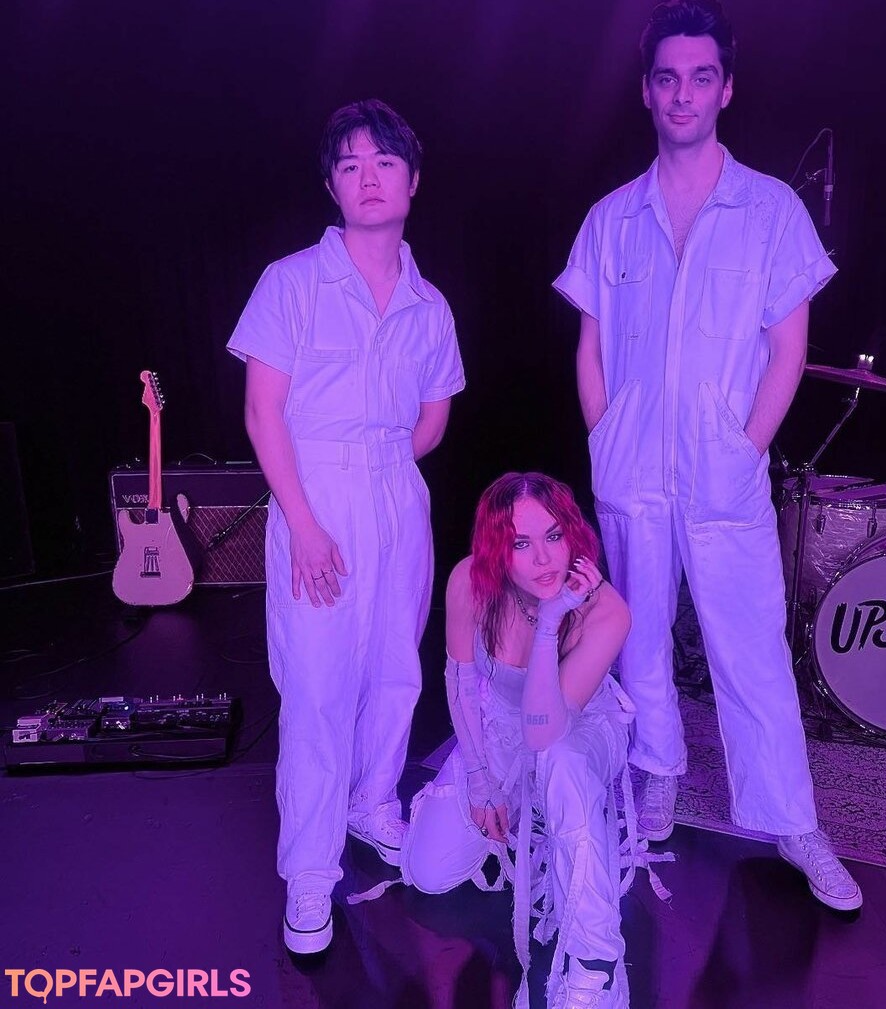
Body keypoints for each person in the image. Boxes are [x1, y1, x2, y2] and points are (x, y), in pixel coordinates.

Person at [552, 0, 862, 911]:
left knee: (752, 645)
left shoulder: (771, 210)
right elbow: (590, 346)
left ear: (726, 88)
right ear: (646, 92)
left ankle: (793, 820)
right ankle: (658, 769)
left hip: (723, 469)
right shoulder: (612, 218)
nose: (682, 94)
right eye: (666, 78)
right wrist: (605, 433)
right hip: (631, 465)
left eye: (700, 77)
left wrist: (744, 447)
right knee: (639, 633)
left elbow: (788, 349)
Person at [227, 99, 465, 954]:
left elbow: (433, 418)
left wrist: (384, 466)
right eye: (351, 164)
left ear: (413, 179)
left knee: (397, 668)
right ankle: (309, 870)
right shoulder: (291, 281)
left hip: (397, 492)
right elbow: (263, 411)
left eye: (385, 162)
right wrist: (305, 519)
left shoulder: (429, 304)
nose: (369, 178)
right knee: (318, 686)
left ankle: (373, 802)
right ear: (331, 183)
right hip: (314, 489)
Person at [400, 472, 642, 1008]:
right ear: (497, 548)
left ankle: (596, 964)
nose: (544, 559)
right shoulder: (470, 581)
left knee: (561, 762)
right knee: (427, 873)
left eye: (554, 536)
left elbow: (544, 728)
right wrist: (481, 780)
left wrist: (552, 622)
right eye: (521, 543)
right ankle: (532, 825)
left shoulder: (606, 611)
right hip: (500, 731)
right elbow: (461, 683)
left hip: (575, 730)